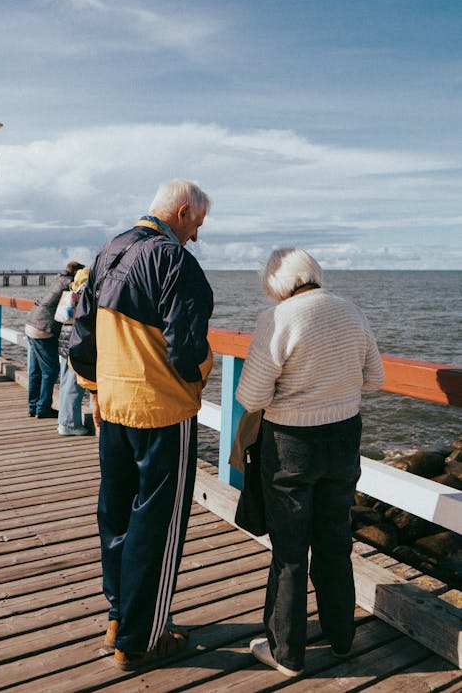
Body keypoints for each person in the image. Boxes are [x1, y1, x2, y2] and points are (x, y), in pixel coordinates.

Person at [69, 179, 213, 670]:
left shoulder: (108, 251)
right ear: (180, 210)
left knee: (116, 516)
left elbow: (81, 336)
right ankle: (140, 639)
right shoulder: (174, 262)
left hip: (112, 407)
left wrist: (92, 388)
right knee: (158, 523)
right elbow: (187, 348)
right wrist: (200, 381)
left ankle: (119, 619)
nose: (195, 235)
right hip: (161, 412)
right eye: (196, 223)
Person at [236, 247, 384, 677]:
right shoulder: (351, 310)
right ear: (312, 274)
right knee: (335, 542)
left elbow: (251, 397)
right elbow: (375, 378)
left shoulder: (279, 318)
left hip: (291, 444)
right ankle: (341, 639)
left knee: (290, 551)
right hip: (342, 438)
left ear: (277, 285)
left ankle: (288, 654)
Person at [25, 261, 84, 418]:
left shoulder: (58, 279)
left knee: (35, 370)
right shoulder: (69, 283)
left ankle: (33, 406)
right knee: (50, 370)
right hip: (43, 328)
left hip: (32, 323)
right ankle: (43, 408)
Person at [57, 267, 90, 436]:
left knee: (65, 381)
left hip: (64, 337)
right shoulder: (85, 292)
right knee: (74, 383)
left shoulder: (72, 291)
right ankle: (69, 424)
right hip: (75, 339)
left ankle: (64, 421)